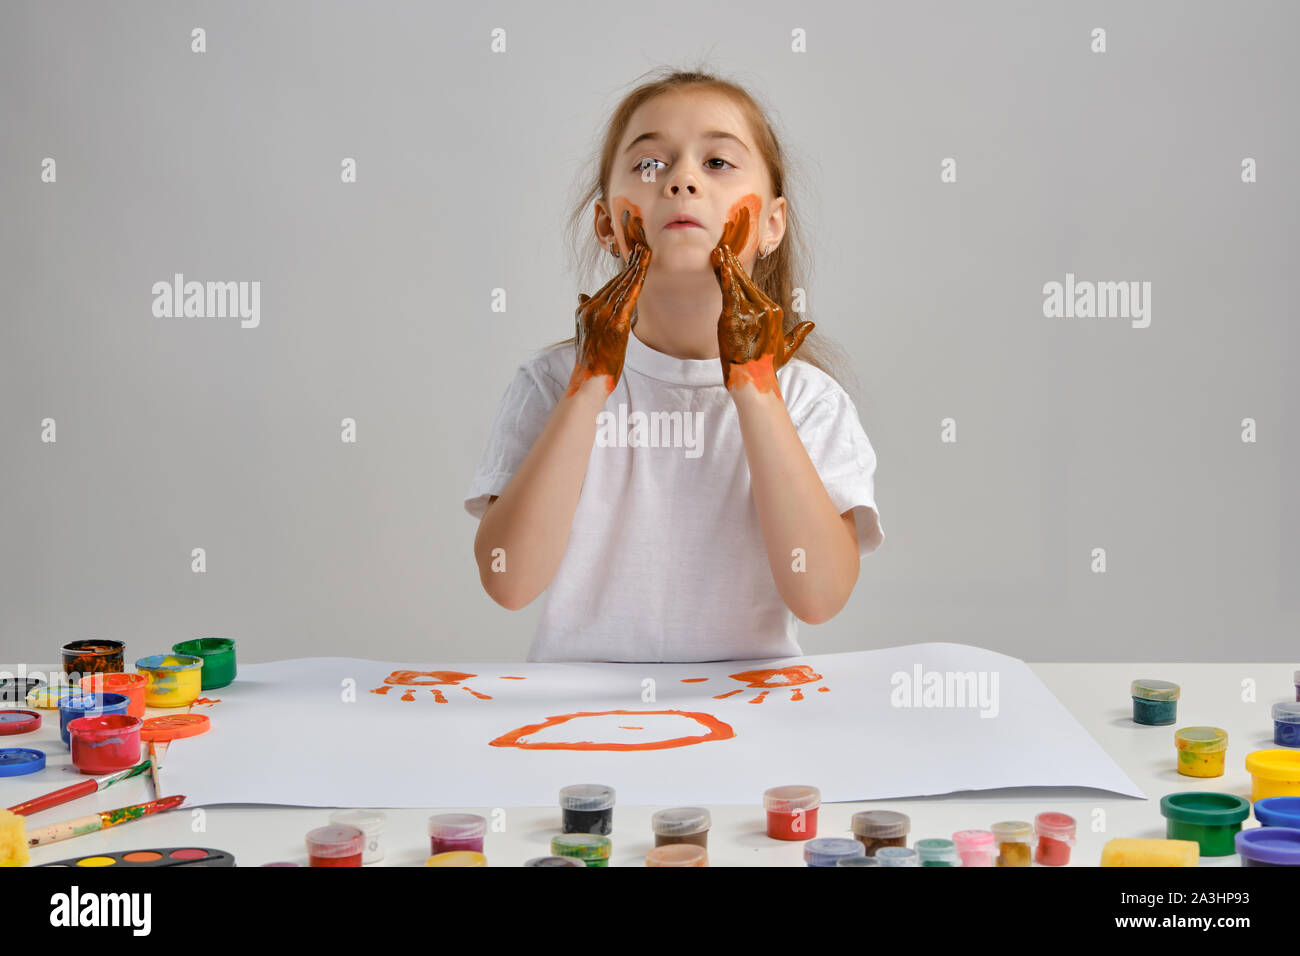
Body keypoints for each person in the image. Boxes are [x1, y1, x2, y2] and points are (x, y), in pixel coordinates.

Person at [465, 69, 884, 662]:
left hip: (750, 721)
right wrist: (589, 387)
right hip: (576, 720)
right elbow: (509, 582)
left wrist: (757, 391)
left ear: (771, 223)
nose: (682, 180)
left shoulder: (808, 400)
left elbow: (819, 597)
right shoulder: (552, 383)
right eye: (649, 165)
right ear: (608, 223)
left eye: (717, 163)